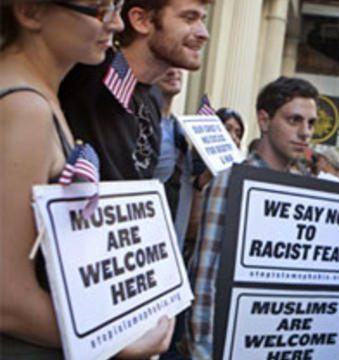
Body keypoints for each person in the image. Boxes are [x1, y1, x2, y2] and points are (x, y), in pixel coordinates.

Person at [0, 0, 173, 357]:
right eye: (100, 9)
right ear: (30, 12)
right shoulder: (24, 107)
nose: (116, 24)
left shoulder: (40, 97)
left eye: (118, 6)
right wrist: (118, 340)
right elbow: (6, 301)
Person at [185, 77, 339, 359]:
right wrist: (203, 352)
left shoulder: (313, 191)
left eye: (310, 123)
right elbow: (205, 278)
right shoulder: (230, 184)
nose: (305, 132)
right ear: (264, 120)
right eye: (294, 120)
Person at [59, 0, 211, 181]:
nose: (204, 34)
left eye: (202, 19)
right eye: (189, 18)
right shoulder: (84, 73)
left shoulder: (154, 98)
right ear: (141, 20)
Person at [154, 67, 193, 250]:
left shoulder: (180, 128)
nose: (173, 71)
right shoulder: (141, 123)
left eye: (177, 65)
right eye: (164, 64)